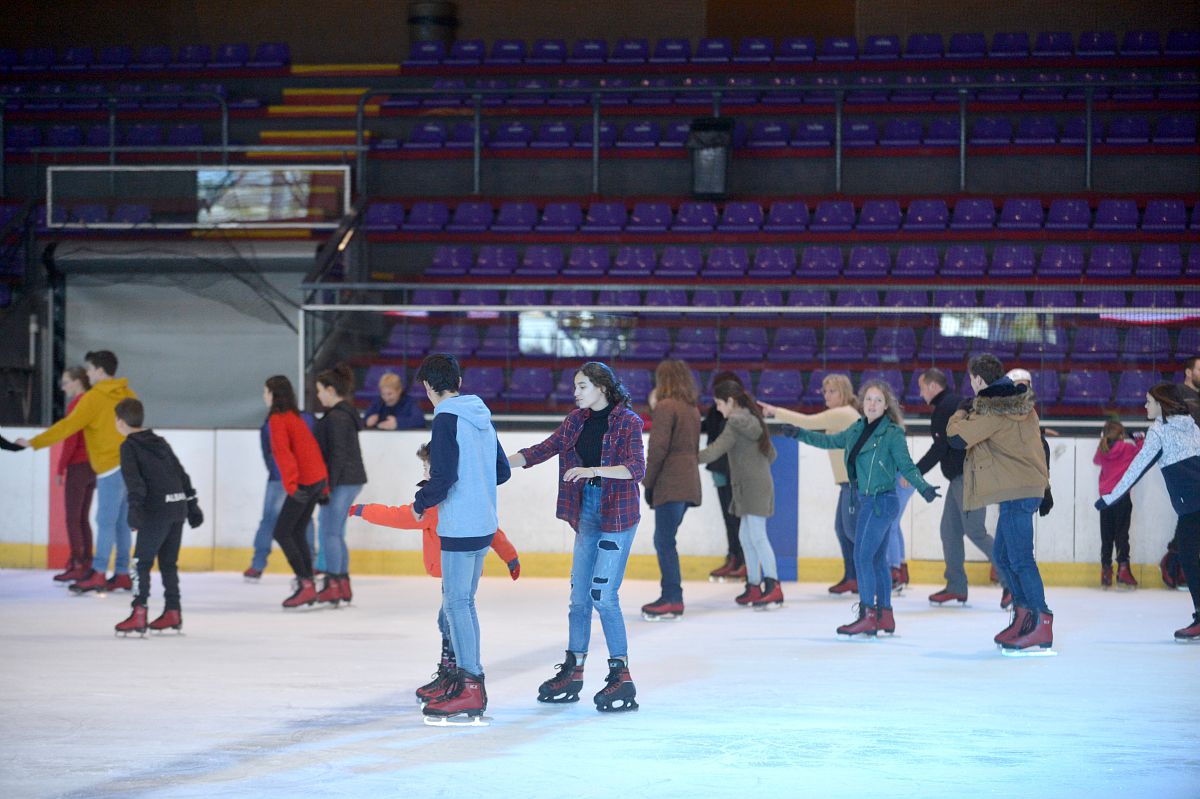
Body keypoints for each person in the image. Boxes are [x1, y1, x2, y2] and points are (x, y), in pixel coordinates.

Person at [510, 361, 644, 713]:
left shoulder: (629, 421)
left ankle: (621, 674)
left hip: (617, 515)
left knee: (603, 596)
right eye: (575, 387)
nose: (576, 393)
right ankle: (574, 668)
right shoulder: (575, 421)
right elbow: (543, 449)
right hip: (588, 511)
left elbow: (636, 469)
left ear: (602, 387)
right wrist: (496, 464)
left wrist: (591, 470)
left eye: (582, 386)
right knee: (579, 598)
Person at [348, 441, 520, 704]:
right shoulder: (465, 496)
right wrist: (510, 556)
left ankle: (453, 675)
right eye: (425, 467)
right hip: (462, 566)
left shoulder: (435, 504)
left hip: (454, 567)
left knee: (451, 618)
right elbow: (492, 529)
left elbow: (400, 516)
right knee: (449, 619)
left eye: (429, 467)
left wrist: (364, 510)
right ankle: (450, 672)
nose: (426, 472)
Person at [783, 380, 939, 637]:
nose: (872, 404)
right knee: (876, 558)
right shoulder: (856, 429)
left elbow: (908, 466)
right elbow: (828, 442)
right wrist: (798, 433)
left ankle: (868, 615)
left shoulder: (892, 433)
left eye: (878, 400)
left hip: (884, 501)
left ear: (886, 404)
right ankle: (885, 616)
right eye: (868, 399)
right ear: (862, 403)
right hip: (866, 500)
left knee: (862, 556)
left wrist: (923, 488)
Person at [408, 354, 510, 725]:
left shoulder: (446, 417)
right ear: (459, 381)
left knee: (458, 605)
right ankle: (456, 677)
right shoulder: (481, 414)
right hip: (483, 523)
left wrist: (421, 502)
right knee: (457, 603)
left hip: (461, 526)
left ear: (428, 388)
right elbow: (501, 471)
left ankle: (470, 686)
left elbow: (444, 474)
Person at [947, 354, 1053, 655]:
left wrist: (960, 412)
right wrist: (1045, 487)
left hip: (1018, 491)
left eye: (971, 379)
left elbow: (956, 438)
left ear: (979, 380)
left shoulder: (993, 411)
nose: (971, 384)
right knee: (1004, 557)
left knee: (1019, 558)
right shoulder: (1022, 405)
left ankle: (1040, 622)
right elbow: (1039, 446)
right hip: (1020, 489)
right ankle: (1023, 617)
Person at [17, 350, 137, 593]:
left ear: (101, 371)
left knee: (105, 521)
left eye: (90, 369)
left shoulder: (93, 399)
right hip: (132, 466)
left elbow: (68, 426)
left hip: (109, 467)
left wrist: (35, 442)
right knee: (122, 523)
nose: (88, 374)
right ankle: (122, 573)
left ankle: (100, 572)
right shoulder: (128, 394)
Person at [1095, 384, 1200, 641]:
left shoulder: (1159, 431)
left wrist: (1110, 497)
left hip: (1192, 507)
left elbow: (1136, 467)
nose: (1145, 406)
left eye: (1148, 401)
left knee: (1189, 558)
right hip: (1193, 506)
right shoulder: (1192, 425)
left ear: (1161, 404)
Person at [760, 373, 861, 594]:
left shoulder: (843, 413)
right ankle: (852, 576)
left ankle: (859, 577)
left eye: (832, 391)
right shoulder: (844, 414)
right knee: (844, 529)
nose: (826, 395)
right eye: (825, 391)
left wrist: (775, 411)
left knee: (851, 531)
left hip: (855, 483)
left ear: (843, 392)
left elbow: (807, 422)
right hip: (849, 482)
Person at [112, 399, 203, 636]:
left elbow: (135, 483)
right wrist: (192, 505)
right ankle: (173, 611)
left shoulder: (129, 446)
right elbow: (181, 474)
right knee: (168, 564)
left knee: (140, 563)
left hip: (157, 511)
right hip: (177, 508)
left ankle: (139, 613)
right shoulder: (160, 442)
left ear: (120, 422)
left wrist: (135, 511)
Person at [914, 367, 1003, 606]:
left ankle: (1013, 582)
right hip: (959, 480)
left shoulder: (947, 407)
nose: (920, 392)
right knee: (950, 531)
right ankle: (956, 585)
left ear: (933, 386)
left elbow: (940, 447)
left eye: (922, 387)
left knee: (975, 531)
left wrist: (914, 473)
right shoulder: (949, 405)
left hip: (970, 477)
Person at [700, 380, 783, 609]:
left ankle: (773, 586)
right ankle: (754, 585)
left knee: (757, 536)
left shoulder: (736, 422)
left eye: (719, 403)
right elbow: (771, 454)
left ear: (730, 401)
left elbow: (716, 449)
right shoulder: (753, 419)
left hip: (752, 487)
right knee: (746, 537)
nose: (718, 408)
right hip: (751, 485)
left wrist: (688, 458)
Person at [640, 359, 702, 621]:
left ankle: (672, 597)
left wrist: (648, 481)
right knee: (666, 540)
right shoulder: (691, 409)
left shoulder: (666, 407)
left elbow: (657, 450)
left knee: (664, 541)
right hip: (689, 482)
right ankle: (671, 595)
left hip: (671, 482)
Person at [264, 375, 329, 610]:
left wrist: (291, 486)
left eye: (266, 392)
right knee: (297, 530)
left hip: (303, 483)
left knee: (282, 532)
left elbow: (284, 455)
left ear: (273, 394)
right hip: (315, 480)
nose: (264, 397)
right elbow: (311, 450)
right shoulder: (294, 417)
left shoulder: (278, 420)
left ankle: (306, 583)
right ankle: (307, 581)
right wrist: (324, 484)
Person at [313, 364, 369, 606]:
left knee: (330, 532)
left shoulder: (337, 417)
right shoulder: (344, 414)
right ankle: (342, 583)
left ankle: (334, 583)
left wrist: (327, 487)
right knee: (333, 531)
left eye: (320, 390)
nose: (318, 396)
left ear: (331, 390)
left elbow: (337, 454)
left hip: (342, 481)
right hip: (349, 479)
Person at [243, 406, 317, 581]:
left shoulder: (272, 422)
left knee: (269, 520)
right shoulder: (308, 419)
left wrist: (277, 471)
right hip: (302, 476)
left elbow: (267, 452)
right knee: (304, 520)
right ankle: (310, 564)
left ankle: (257, 565)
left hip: (280, 476)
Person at [52, 367, 96, 584]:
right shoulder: (92, 401)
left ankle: (78, 564)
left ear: (78, 382)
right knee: (82, 517)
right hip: (93, 466)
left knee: (73, 518)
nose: (63, 387)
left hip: (78, 466)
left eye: (66, 382)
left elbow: (71, 439)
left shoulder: (77, 404)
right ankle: (86, 562)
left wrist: (61, 468)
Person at [702, 371, 746, 583]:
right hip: (719, 470)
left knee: (737, 518)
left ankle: (741, 559)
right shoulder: (715, 411)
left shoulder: (737, 416)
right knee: (729, 518)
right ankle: (734, 556)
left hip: (733, 470)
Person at [1160, 356, 1200, 589]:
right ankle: (1176, 564)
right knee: (1190, 517)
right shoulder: (1179, 396)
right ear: (1188, 372)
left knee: (1191, 519)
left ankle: (1177, 562)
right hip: (1187, 468)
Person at [1094, 420, 1143, 589]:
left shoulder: (1103, 449)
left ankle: (1106, 572)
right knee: (1122, 534)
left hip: (1106, 499)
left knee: (1106, 536)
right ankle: (1123, 570)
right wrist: (1138, 438)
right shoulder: (1127, 449)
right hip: (1121, 498)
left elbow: (1096, 461)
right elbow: (1143, 452)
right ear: (1121, 435)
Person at [887, 474, 914, 592]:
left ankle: (894, 573)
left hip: (901, 478)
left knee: (890, 525)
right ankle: (901, 571)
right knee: (894, 525)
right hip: (903, 477)